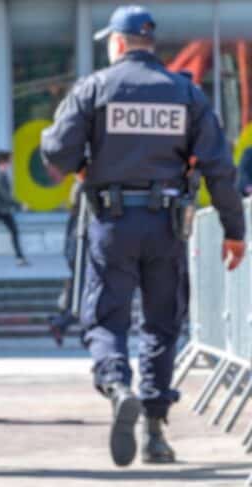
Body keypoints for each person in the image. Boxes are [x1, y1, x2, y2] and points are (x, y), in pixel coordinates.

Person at [41, 5, 246, 467]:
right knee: (161, 323)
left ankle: (117, 386)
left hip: (111, 223)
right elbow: (220, 165)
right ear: (148, 44)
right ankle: (155, 431)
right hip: (166, 224)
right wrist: (235, 231)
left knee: (104, 318)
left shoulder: (94, 88)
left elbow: (54, 146)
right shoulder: (186, 93)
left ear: (117, 43)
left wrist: (80, 165)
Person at [48, 180, 84, 346]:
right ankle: (60, 324)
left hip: (76, 257)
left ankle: (60, 323)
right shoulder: (83, 219)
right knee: (85, 295)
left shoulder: (74, 216)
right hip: (82, 257)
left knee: (79, 294)